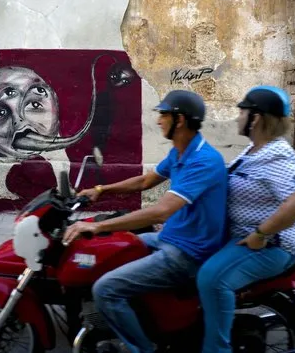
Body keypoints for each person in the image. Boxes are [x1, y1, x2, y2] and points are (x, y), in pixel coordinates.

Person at [63, 90, 228, 353]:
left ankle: (142, 348)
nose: (158, 120)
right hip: (169, 238)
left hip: (186, 254)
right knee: (108, 253)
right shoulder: (180, 152)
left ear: (180, 120)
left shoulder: (203, 161)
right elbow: (145, 181)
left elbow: (161, 211)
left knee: (106, 288)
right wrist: (101, 190)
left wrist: (97, 226)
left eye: (163, 114)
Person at [196, 86, 295, 353]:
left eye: (242, 111)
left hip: (273, 246)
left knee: (212, 279)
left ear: (256, 118)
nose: (237, 117)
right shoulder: (254, 152)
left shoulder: (276, 156)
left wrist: (261, 234)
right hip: (242, 237)